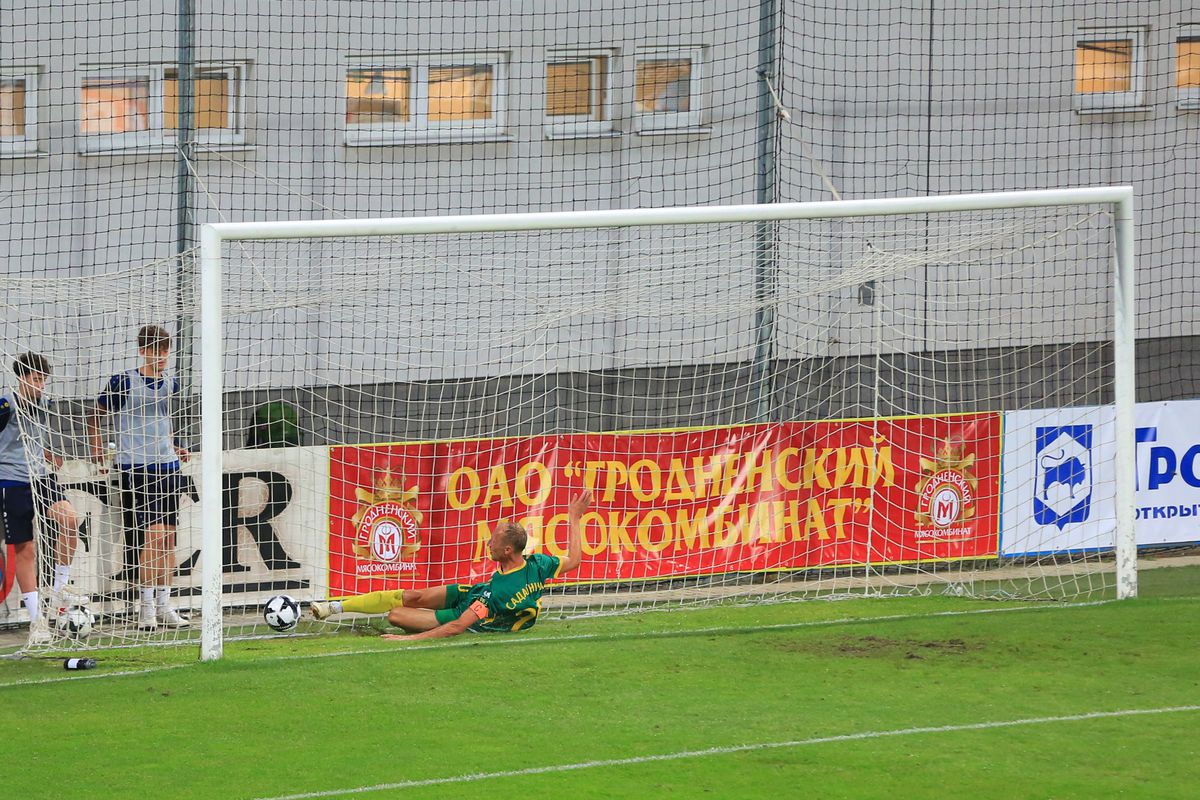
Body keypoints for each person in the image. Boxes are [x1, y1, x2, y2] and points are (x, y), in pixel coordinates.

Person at [311, 490, 592, 640]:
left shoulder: (497, 591)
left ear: (507, 550)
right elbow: (575, 560)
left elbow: (457, 626)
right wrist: (574, 518)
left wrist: (408, 641)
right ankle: (334, 608)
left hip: (469, 614)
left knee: (396, 615)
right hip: (472, 593)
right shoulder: (538, 563)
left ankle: (422, 620)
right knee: (413, 596)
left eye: (493, 541)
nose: (488, 543)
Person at [88, 325, 190, 630]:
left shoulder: (171, 383)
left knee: (168, 540)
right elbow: (95, 415)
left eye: (165, 351)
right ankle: (146, 609)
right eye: (156, 350)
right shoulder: (123, 382)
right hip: (136, 468)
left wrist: (173, 445)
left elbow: (162, 421)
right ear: (143, 351)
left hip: (168, 467)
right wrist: (97, 448)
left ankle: (164, 605)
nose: (161, 356)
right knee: (152, 538)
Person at [0, 353, 83, 642]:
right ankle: (37, 622)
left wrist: (48, 454)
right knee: (25, 549)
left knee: (70, 520)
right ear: (22, 378)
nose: (41, 385)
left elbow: (34, 438)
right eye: (36, 379)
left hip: (41, 477)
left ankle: (59, 589)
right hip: (12, 481)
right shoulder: (6, 405)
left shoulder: (45, 404)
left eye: (43, 380)